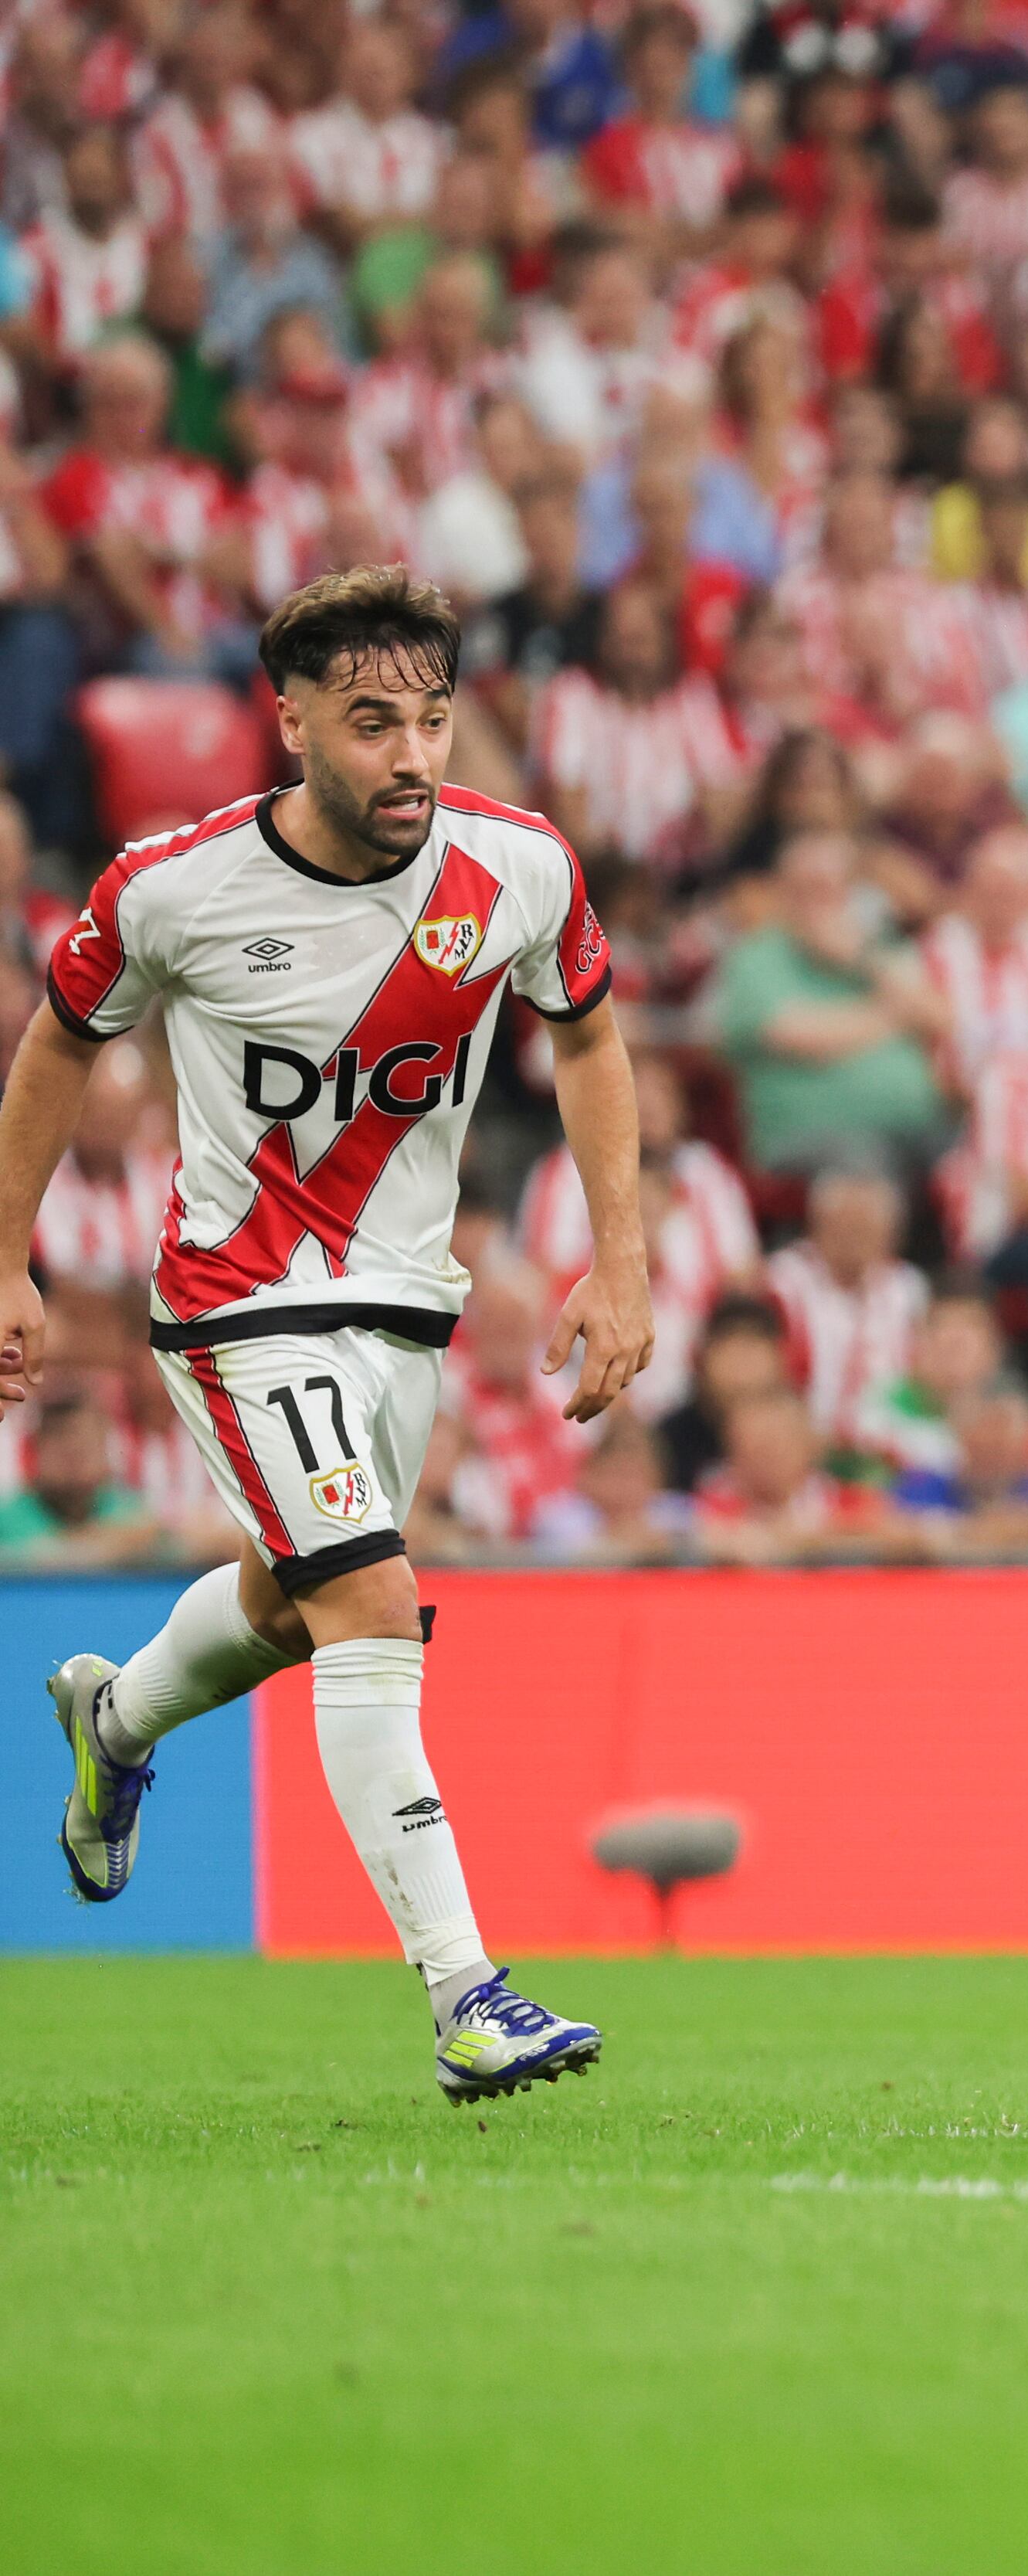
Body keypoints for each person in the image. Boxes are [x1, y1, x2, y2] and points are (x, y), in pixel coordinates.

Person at [0, 566, 653, 2101]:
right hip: (238, 1302)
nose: (413, 757)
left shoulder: (521, 868)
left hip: (403, 1311)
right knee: (368, 1598)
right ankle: (466, 1994)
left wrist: (618, 1257)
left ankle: (119, 1709)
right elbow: (54, 1041)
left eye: (430, 719)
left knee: (295, 1602)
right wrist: (6, 1256)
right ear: (288, 721)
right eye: (372, 724)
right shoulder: (171, 885)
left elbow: (592, 1029)